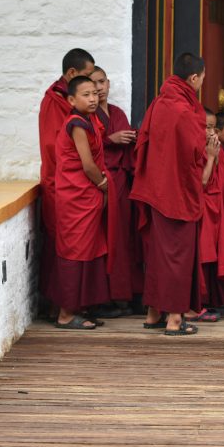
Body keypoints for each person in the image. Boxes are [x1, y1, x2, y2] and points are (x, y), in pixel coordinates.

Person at [129, 53, 214, 337]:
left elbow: (144, 141)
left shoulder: (159, 103)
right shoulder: (185, 110)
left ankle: (154, 314)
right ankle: (175, 319)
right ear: (193, 78)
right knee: (178, 254)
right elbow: (193, 153)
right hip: (178, 193)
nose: (203, 82)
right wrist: (209, 154)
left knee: (158, 254)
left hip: (156, 190)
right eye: (202, 78)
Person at [50, 75, 110, 329]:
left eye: (94, 93)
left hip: (86, 196)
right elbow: (86, 164)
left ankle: (80, 307)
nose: (93, 98)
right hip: (76, 197)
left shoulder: (88, 120)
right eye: (86, 95)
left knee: (89, 251)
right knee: (74, 253)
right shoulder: (77, 123)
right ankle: (65, 314)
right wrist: (104, 185)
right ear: (71, 100)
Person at [38, 48, 96, 312]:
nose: (92, 90)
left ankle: (71, 305)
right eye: (86, 80)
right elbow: (55, 148)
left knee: (77, 246)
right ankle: (60, 307)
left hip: (78, 184)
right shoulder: (55, 103)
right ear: (71, 74)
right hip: (63, 184)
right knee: (65, 247)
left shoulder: (73, 106)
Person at [90, 66, 142, 313]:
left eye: (102, 82)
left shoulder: (118, 113)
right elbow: (85, 146)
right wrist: (111, 140)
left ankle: (123, 293)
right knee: (105, 238)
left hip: (122, 182)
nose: (99, 88)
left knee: (123, 238)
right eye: (94, 84)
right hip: (101, 182)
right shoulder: (87, 117)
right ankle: (104, 298)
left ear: (109, 84)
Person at [192, 109, 224, 322]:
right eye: (205, 126)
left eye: (212, 127)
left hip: (212, 205)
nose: (209, 131)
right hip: (200, 206)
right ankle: (196, 303)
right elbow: (202, 182)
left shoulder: (212, 146)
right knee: (202, 254)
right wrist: (210, 158)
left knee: (209, 254)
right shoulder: (200, 148)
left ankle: (205, 300)